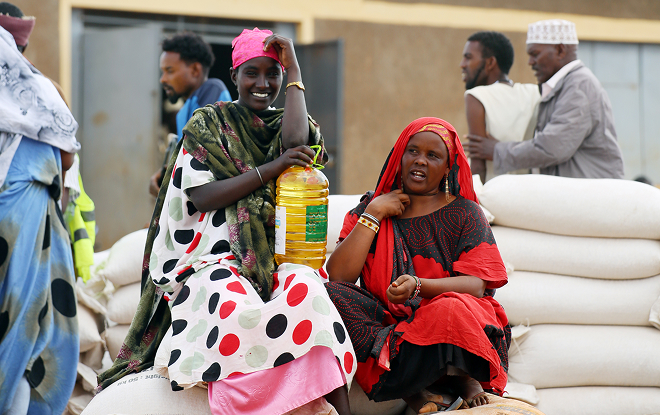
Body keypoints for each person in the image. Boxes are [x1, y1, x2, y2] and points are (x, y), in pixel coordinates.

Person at [98, 28, 355, 415]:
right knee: (233, 306)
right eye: (252, 73)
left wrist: (297, 70)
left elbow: (297, 142)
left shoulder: (285, 124)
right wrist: (272, 169)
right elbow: (201, 195)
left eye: (274, 74)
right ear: (234, 75)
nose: (263, 84)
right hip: (209, 259)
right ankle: (250, 403)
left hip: (272, 258)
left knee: (311, 293)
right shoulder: (209, 124)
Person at [326, 118, 510, 414]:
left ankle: (462, 379)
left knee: (449, 309)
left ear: (448, 168)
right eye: (413, 151)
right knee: (330, 296)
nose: (420, 161)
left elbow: (476, 285)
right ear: (399, 155)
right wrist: (374, 214)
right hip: (394, 331)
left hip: (448, 321)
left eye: (433, 155)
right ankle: (415, 388)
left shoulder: (465, 213)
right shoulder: (372, 206)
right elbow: (339, 276)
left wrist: (419, 286)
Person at [0, 3, 81, 413]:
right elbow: (67, 159)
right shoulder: (41, 90)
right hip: (31, 219)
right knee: (26, 330)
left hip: (24, 217)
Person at [466, 19, 625, 179]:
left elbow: (552, 148)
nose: (530, 62)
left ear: (560, 50)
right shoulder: (559, 86)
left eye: (535, 54)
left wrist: (497, 150)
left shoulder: (579, 86)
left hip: (592, 195)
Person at [149, 32, 232, 197]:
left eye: (169, 71)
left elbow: (200, 156)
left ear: (195, 70)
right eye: (162, 72)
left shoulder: (212, 90)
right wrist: (167, 173)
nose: (163, 79)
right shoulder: (183, 112)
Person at [461, 31, 540, 183]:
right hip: (530, 192)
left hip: (495, 194)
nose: (462, 64)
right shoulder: (533, 93)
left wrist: (471, 204)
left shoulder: (476, 96)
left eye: (468, 57)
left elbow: (478, 167)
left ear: (490, 62)